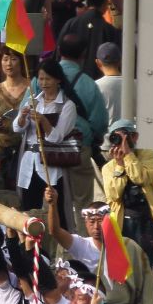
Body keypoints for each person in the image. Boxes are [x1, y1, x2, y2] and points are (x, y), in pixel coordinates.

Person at [38, 33, 109, 224]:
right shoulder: (88, 83)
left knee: (50, 201)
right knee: (83, 203)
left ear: (59, 51)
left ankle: (49, 249)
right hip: (79, 149)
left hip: (49, 152)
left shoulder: (42, 77)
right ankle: (84, 247)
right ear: (84, 54)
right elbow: (100, 122)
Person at [15, 59, 79, 228]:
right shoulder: (33, 100)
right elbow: (17, 128)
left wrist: (44, 121)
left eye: (48, 79)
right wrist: (22, 117)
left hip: (50, 165)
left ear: (58, 79)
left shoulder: (67, 105)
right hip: (29, 162)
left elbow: (57, 137)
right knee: (28, 209)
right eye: (41, 79)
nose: (44, 83)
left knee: (55, 209)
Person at [100, 119, 153, 266]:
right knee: (123, 265)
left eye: (123, 136)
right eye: (115, 137)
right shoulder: (108, 167)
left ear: (134, 137)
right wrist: (119, 166)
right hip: (121, 222)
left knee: (145, 264)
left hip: (146, 219)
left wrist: (128, 155)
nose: (119, 141)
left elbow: (141, 178)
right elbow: (114, 195)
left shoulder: (147, 155)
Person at [0, 47, 30, 190]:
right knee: (2, 188)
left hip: (26, 147)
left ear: (21, 62)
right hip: (2, 149)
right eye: (5, 59)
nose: (9, 63)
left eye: (13, 59)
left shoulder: (31, 87)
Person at [56, 0, 120, 79]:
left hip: (71, 81)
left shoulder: (71, 23)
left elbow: (58, 53)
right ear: (105, 2)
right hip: (99, 82)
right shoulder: (109, 30)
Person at [94, 43, 122, 125]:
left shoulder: (95, 86)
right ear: (120, 61)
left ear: (98, 63)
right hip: (133, 135)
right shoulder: (135, 84)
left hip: (107, 136)